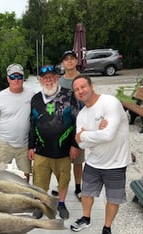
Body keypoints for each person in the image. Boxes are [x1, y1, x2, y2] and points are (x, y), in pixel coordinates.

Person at [71, 74, 131, 234]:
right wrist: (95, 133)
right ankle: (86, 218)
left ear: (91, 86)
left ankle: (107, 228)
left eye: (83, 87)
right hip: (94, 161)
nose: (80, 91)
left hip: (116, 162)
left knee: (113, 198)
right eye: (76, 89)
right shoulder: (82, 114)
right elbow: (81, 144)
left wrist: (85, 134)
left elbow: (108, 134)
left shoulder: (110, 103)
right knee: (86, 193)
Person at [28, 65, 80, 219]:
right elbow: (32, 123)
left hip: (63, 151)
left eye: (51, 76)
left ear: (57, 78)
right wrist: (31, 145)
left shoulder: (70, 95)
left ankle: (61, 204)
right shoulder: (36, 99)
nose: (48, 80)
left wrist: (75, 145)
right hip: (41, 150)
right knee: (39, 181)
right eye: (45, 77)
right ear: (40, 81)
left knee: (63, 179)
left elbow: (78, 121)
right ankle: (42, 204)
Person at [0, 63, 34, 181]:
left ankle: (23, 195)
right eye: (12, 77)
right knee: (0, 175)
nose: (16, 80)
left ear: (23, 78)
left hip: (24, 144)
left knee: (25, 175)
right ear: (8, 78)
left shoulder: (32, 95)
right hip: (4, 144)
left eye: (19, 77)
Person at [52, 50, 85, 201]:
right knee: (61, 161)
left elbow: (90, 101)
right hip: (63, 126)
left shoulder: (84, 79)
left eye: (72, 58)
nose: (69, 61)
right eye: (66, 59)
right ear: (62, 63)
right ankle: (62, 187)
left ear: (76, 61)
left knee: (77, 161)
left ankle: (79, 188)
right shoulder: (59, 81)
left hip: (80, 125)